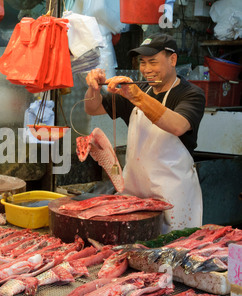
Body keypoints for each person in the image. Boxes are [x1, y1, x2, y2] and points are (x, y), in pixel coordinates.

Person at [84, 33, 205, 233]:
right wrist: (93, 88)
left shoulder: (190, 94)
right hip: (134, 199)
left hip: (174, 200)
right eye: (143, 63)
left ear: (172, 60)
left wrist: (137, 96)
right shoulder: (136, 91)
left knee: (172, 253)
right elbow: (93, 108)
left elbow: (178, 126)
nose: (146, 69)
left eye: (153, 62)